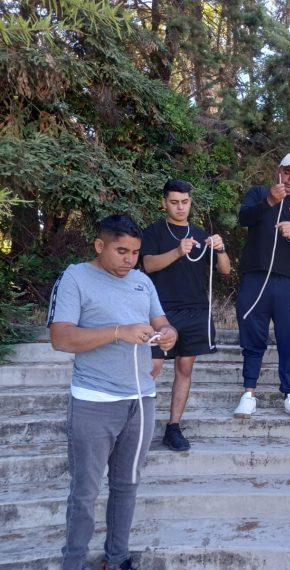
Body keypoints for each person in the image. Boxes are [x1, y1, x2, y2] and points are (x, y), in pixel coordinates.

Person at [48, 215, 177, 570]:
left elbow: (162, 322)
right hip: (94, 402)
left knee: (127, 485)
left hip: (141, 400)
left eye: (135, 252)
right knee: (85, 492)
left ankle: (117, 558)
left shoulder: (142, 281)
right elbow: (61, 338)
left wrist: (169, 334)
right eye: (121, 251)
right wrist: (118, 331)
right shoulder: (75, 277)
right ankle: (73, 562)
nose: (129, 259)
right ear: (99, 245)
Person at [140, 179, 231, 451]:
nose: (180, 207)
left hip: (195, 311)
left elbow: (225, 270)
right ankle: (133, 424)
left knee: (185, 367)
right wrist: (178, 251)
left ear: (191, 202)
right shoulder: (154, 231)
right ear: (164, 203)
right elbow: (148, 264)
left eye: (185, 202)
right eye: (174, 202)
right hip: (161, 311)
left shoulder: (200, 234)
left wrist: (221, 248)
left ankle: (173, 427)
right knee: (153, 367)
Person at [233, 153, 290, 419]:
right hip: (256, 278)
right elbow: (244, 218)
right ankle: (249, 394)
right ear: (278, 170)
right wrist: (269, 201)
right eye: (287, 172)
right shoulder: (258, 193)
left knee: (289, 339)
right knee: (252, 338)